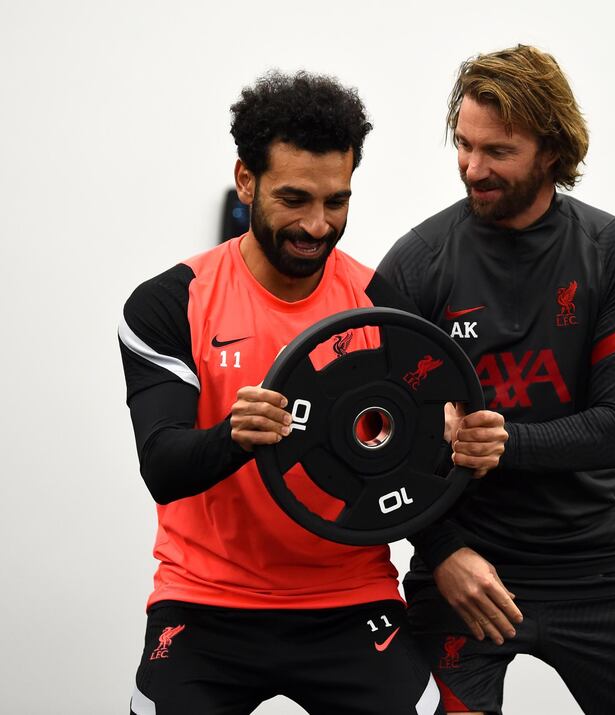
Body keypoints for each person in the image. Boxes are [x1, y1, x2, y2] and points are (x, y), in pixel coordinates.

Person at [378, 45, 615, 714]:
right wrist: (442, 553)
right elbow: (383, 449)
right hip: (466, 565)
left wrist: (506, 444)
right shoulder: (415, 266)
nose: (472, 167)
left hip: (597, 565)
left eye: (498, 151)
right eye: (463, 145)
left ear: (551, 149)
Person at [118, 71, 447, 715]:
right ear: (247, 181)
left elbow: (418, 471)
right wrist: (233, 437)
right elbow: (162, 465)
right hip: (206, 602)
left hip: (349, 597)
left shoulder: (378, 305)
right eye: (295, 199)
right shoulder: (170, 304)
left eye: (337, 201)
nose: (318, 226)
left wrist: (454, 446)